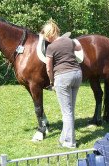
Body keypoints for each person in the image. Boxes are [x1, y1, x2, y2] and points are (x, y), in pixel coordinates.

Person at [41, 20, 82, 148]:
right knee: (70, 110)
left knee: (67, 112)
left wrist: (52, 82)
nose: (46, 38)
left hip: (63, 78)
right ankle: (64, 138)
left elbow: (48, 67)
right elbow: (79, 48)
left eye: (46, 35)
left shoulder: (51, 47)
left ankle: (70, 142)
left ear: (50, 33)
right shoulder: (69, 41)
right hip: (77, 74)